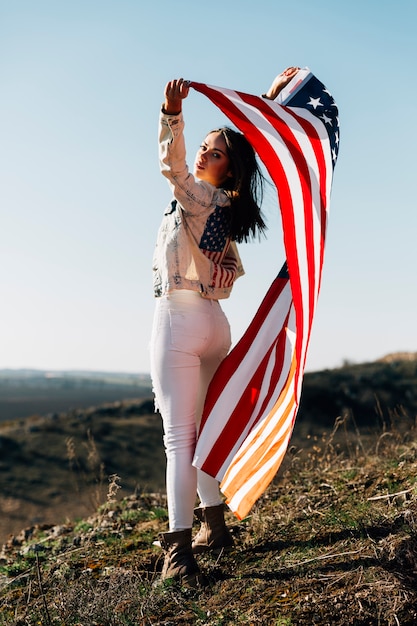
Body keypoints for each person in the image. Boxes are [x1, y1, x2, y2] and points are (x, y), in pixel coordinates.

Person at [150, 67, 299, 586]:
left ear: (228, 170)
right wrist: (272, 101)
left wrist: (173, 117)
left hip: (181, 320)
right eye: (205, 147)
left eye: (214, 152)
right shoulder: (229, 210)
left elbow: (171, 166)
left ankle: (177, 551)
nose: (202, 155)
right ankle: (214, 525)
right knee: (205, 427)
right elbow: (231, 268)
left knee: (179, 440)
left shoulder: (197, 197)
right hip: (215, 325)